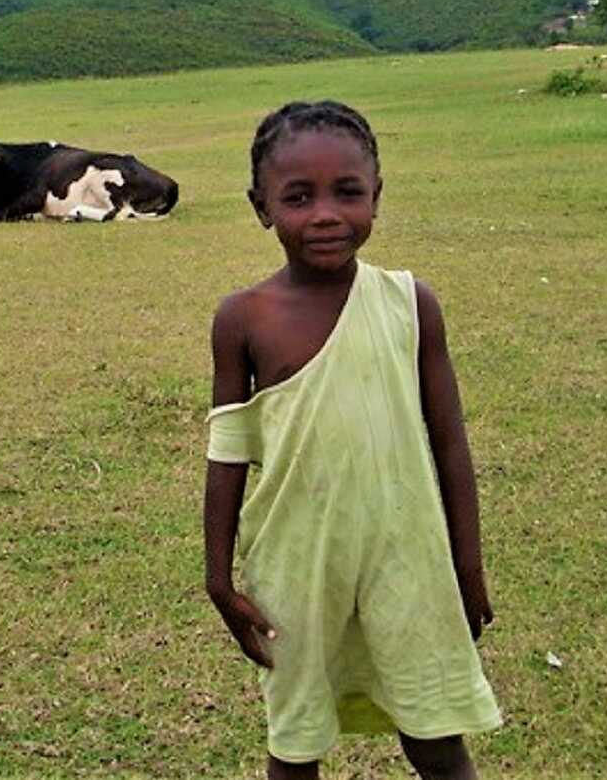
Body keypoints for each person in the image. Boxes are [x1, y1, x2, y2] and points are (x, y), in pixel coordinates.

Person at [204, 100, 501, 779]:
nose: (326, 215)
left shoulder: (409, 303)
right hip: (295, 569)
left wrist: (468, 563)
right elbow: (226, 455)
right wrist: (218, 578)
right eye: (298, 197)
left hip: (408, 560)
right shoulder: (242, 319)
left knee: (435, 733)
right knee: (297, 740)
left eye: (348, 192)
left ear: (377, 196)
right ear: (261, 207)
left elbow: (449, 442)